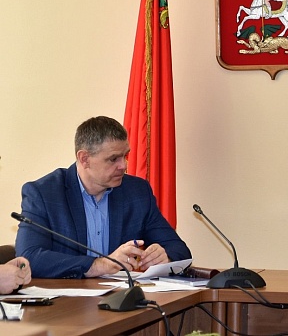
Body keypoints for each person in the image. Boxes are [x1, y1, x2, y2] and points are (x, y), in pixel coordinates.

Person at [15, 116, 191, 279]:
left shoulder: (137, 192)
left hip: (121, 298)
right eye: (113, 159)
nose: (123, 166)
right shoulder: (44, 194)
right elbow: (28, 258)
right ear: (84, 159)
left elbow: (179, 249)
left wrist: (164, 256)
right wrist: (99, 265)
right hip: (67, 299)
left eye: (125, 156)